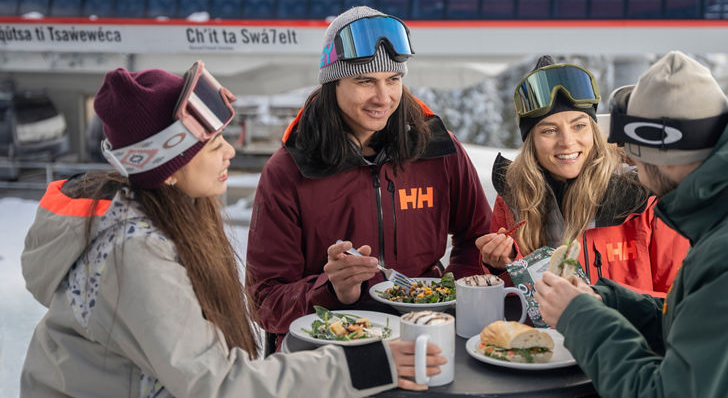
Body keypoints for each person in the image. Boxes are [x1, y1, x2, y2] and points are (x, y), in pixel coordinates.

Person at [20, 64, 445, 396]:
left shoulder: (161, 220)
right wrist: (363, 366)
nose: (231, 150)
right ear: (165, 167)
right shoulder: (135, 254)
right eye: (212, 143)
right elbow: (217, 384)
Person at [535, 51, 728, 396]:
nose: (635, 172)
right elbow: (707, 323)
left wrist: (580, 319)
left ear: (663, 158)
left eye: (634, 158)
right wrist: (611, 303)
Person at [247, 6, 492, 350]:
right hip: (328, 353)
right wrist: (331, 289)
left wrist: (455, 293)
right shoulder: (289, 170)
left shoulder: (436, 148)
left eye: (393, 80)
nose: (383, 97)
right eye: (365, 81)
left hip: (425, 335)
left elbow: (478, 236)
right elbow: (265, 301)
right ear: (333, 83)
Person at [477, 56, 688, 296]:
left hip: (627, 332)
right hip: (547, 333)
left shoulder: (642, 196)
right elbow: (508, 302)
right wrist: (500, 266)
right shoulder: (513, 195)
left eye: (579, 125)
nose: (567, 142)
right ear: (531, 141)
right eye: (549, 130)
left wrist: (608, 307)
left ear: (594, 130)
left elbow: (678, 301)